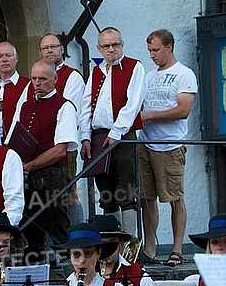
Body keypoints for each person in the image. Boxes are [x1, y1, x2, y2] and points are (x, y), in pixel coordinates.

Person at [139, 29, 198, 267]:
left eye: (156, 50)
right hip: (145, 143)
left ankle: (176, 249)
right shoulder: (149, 76)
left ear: (169, 47)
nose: (152, 55)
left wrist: (149, 116)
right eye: (150, 51)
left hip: (170, 144)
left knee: (175, 197)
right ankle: (150, 248)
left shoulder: (184, 74)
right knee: (146, 198)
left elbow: (183, 110)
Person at [79, 27, 146, 235]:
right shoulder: (96, 71)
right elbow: (86, 106)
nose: (111, 49)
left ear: (122, 45)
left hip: (122, 136)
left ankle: (131, 245)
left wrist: (116, 132)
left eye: (115, 44)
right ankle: (112, 243)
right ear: (99, 48)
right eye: (106, 46)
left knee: (126, 192)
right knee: (106, 194)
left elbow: (133, 104)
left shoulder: (134, 67)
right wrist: (85, 137)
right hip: (98, 137)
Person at [8, 58, 78, 255]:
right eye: (34, 79)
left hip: (53, 175)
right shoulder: (25, 106)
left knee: (58, 229)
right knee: (30, 232)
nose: (37, 83)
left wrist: (29, 166)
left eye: (42, 79)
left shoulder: (64, 106)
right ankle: (35, 279)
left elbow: (61, 150)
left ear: (55, 78)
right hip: (27, 175)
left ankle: (65, 279)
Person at [36, 32, 86, 224]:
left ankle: (76, 235)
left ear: (62, 49)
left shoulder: (72, 76)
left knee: (69, 193)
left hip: (63, 144)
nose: (49, 51)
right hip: (42, 145)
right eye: (45, 48)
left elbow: (70, 110)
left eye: (53, 46)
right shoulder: (38, 76)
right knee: (46, 195)